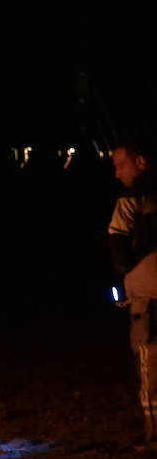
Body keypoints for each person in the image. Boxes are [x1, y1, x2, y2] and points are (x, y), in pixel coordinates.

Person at [107, 137, 157, 443]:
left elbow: (121, 257)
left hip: (149, 302)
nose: (117, 174)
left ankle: (154, 437)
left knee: (151, 371)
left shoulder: (130, 203)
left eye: (121, 165)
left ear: (141, 162)